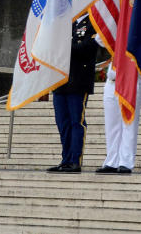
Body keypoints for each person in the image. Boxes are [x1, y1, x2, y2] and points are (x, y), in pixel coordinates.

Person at [46, 14, 99, 173]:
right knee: (63, 122)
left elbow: (89, 47)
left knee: (77, 121)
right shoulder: (65, 22)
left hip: (78, 80)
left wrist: (64, 46)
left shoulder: (93, 21)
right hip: (60, 80)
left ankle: (75, 160)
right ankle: (66, 159)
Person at [94, 31, 141, 174]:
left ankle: (126, 161)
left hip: (132, 80)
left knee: (129, 123)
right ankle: (112, 161)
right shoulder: (117, 23)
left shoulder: (139, 24)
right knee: (112, 125)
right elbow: (101, 40)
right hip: (112, 82)